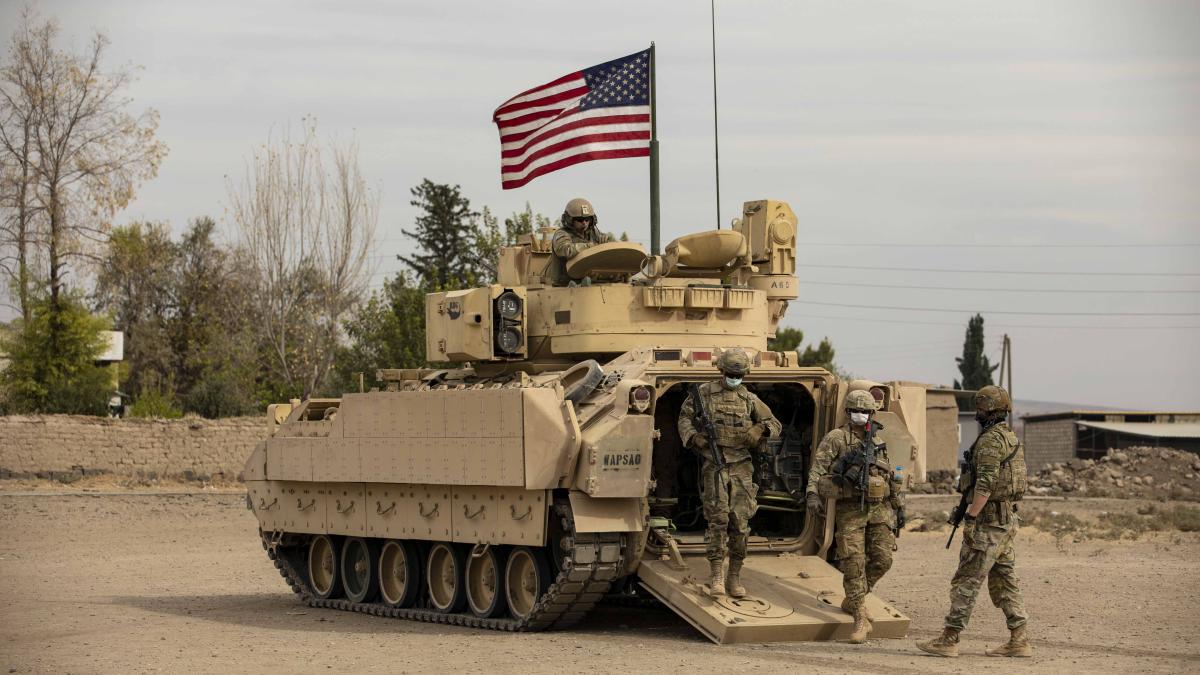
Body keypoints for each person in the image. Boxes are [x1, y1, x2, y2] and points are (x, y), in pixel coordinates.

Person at [917, 385, 1030, 658]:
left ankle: (949, 639)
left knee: (966, 580)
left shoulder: (991, 441)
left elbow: (986, 484)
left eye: (980, 408)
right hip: (1005, 521)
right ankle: (1019, 639)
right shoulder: (1008, 437)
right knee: (1005, 580)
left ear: (990, 410)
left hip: (989, 523)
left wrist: (970, 516)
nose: (977, 412)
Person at [677, 349, 781, 598]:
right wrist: (694, 437)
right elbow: (684, 418)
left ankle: (734, 575)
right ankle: (716, 576)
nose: (734, 378)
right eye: (730, 374)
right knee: (717, 521)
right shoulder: (702, 393)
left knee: (740, 523)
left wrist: (759, 429)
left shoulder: (749, 399)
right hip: (714, 463)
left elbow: (775, 424)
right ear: (721, 371)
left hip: (742, 466)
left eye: (739, 375)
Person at [806, 389, 904, 644]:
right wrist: (812, 495)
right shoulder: (836, 438)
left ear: (872, 413)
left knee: (882, 560)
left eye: (864, 412)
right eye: (854, 411)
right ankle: (860, 615)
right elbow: (818, 467)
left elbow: (889, 473)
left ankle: (853, 599)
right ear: (848, 413)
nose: (859, 416)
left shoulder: (877, 440)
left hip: (878, 509)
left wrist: (897, 503)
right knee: (853, 562)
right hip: (850, 509)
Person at [549, 197, 613, 286]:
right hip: (564, 284)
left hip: (589, 281)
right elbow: (565, 250)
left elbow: (609, 247)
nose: (584, 223)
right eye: (579, 220)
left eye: (587, 219)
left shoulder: (593, 233)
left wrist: (607, 243)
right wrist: (591, 247)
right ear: (569, 220)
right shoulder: (561, 234)